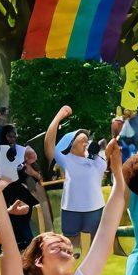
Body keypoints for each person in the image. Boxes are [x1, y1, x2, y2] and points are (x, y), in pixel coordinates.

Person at [45, 105, 109, 250]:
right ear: (71, 145)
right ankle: (71, 268)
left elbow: (103, 164)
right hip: (71, 209)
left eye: (87, 140)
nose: (86, 143)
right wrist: (59, 117)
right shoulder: (67, 159)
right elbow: (49, 145)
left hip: (95, 208)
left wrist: (94, 154)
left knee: (96, 243)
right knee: (71, 245)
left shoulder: (96, 161)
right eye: (82, 140)